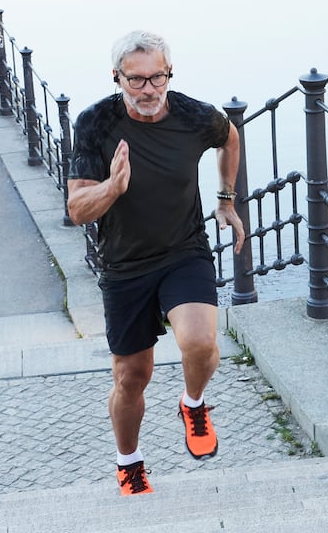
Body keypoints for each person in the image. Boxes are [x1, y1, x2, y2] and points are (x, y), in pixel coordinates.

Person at [67, 30, 246, 496]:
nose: (148, 90)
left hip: (183, 250)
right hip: (125, 264)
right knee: (132, 377)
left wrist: (226, 200)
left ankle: (193, 404)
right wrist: (112, 188)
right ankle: (129, 461)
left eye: (157, 77)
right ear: (117, 78)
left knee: (202, 343)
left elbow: (230, 137)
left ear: (170, 74)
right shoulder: (95, 124)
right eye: (136, 80)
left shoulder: (192, 115)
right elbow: (77, 209)